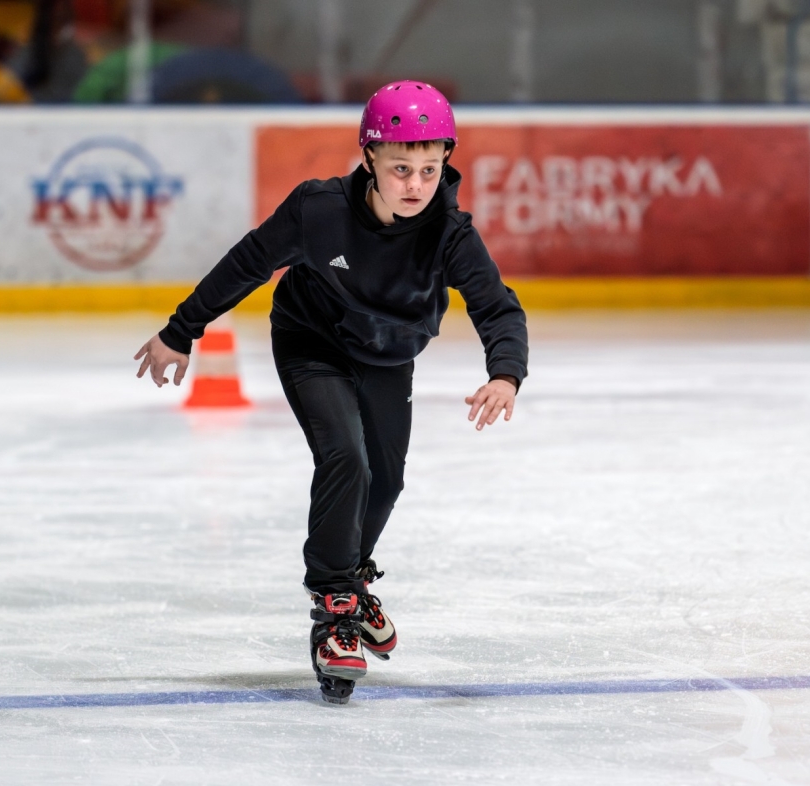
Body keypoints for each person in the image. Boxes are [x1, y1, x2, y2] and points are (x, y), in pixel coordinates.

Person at [133, 81, 529, 704]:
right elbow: (248, 263)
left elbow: (497, 309)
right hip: (310, 342)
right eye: (401, 168)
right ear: (368, 158)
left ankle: (352, 577)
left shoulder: (450, 236)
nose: (416, 185)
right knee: (345, 455)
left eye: (430, 169)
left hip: (388, 354)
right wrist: (181, 331)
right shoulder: (319, 212)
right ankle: (335, 606)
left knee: (388, 479)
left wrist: (505, 372)